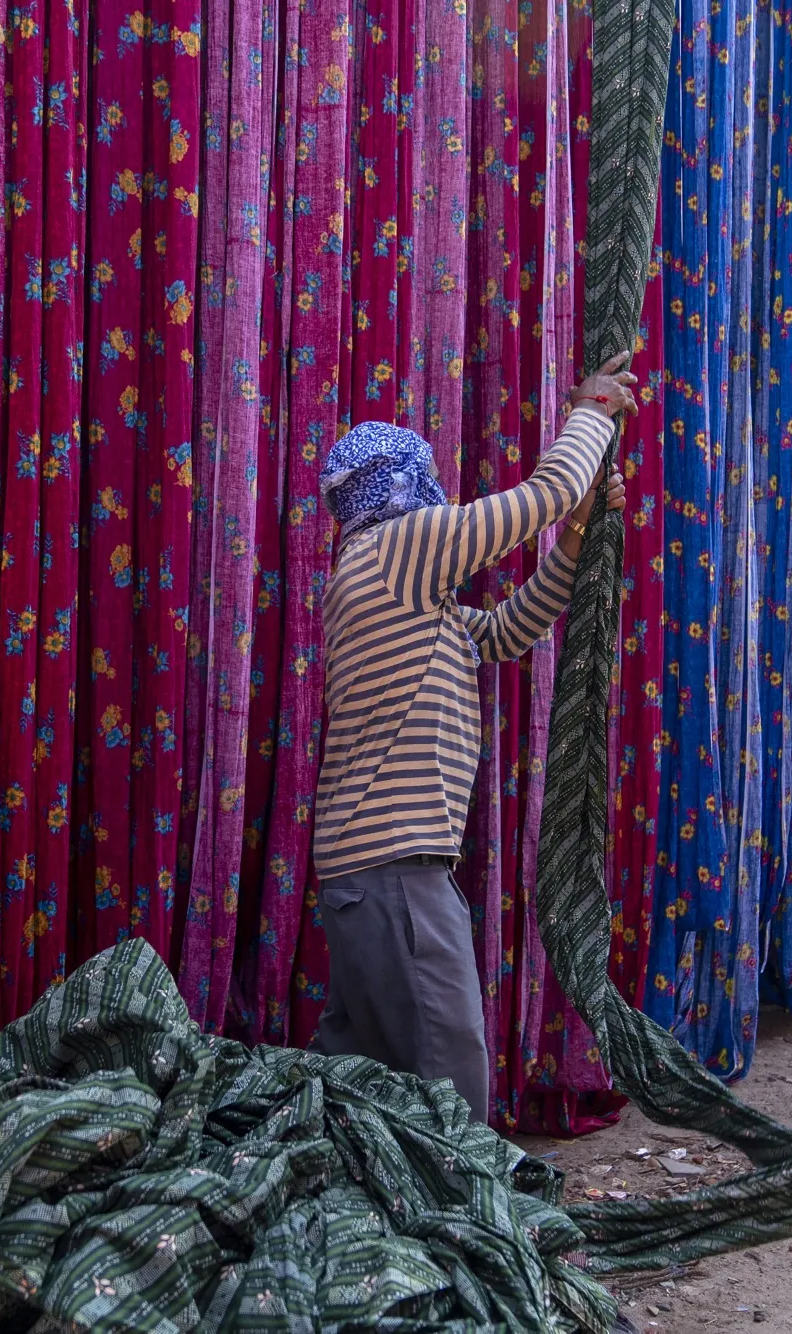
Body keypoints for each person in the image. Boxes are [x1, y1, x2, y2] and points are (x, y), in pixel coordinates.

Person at [307, 353, 638, 1125]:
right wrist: (592, 410)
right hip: (393, 869)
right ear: (405, 488)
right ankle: (464, 1231)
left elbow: (505, 633)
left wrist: (576, 540)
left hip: (367, 874)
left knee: (362, 1081)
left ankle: (367, 1218)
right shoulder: (397, 550)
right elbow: (544, 495)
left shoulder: (388, 585)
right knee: (452, 1080)